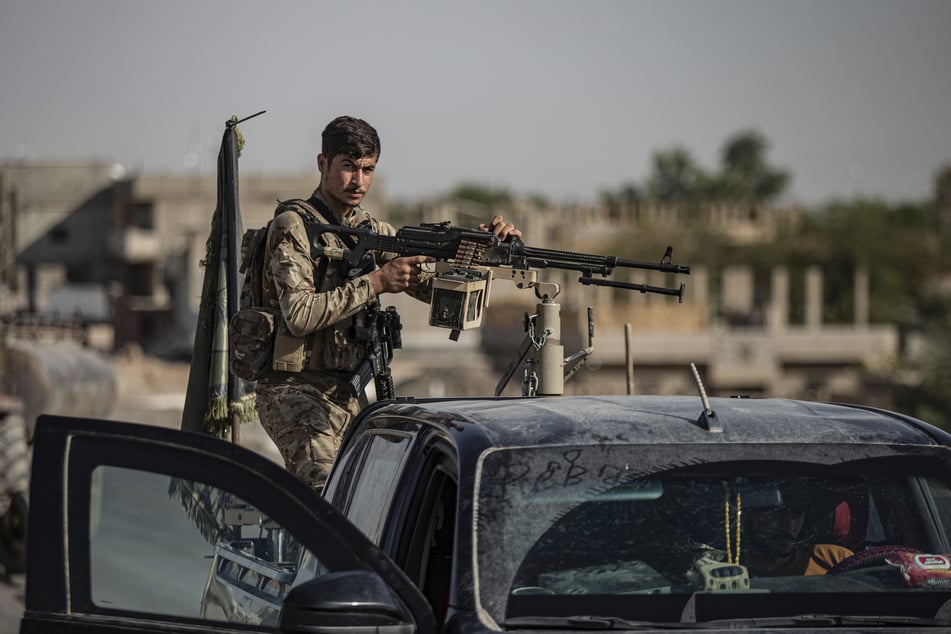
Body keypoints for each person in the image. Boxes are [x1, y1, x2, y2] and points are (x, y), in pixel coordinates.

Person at [253, 115, 520, 491]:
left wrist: (480, 252)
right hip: (292, 390)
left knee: (379, 493)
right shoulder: (292, 226)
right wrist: (378, 281)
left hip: (346, 392)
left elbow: (434, 291)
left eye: (368, 169)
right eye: (347, 167)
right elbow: (298, 315)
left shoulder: (371, 231)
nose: (358, 180)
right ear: (322, 163)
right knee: (326, 490)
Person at [740, 487, 853, 576]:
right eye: (775, 512)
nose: (788, 524)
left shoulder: (837, 560)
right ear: (745, 517)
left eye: (796, 512)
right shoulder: (728, 570)